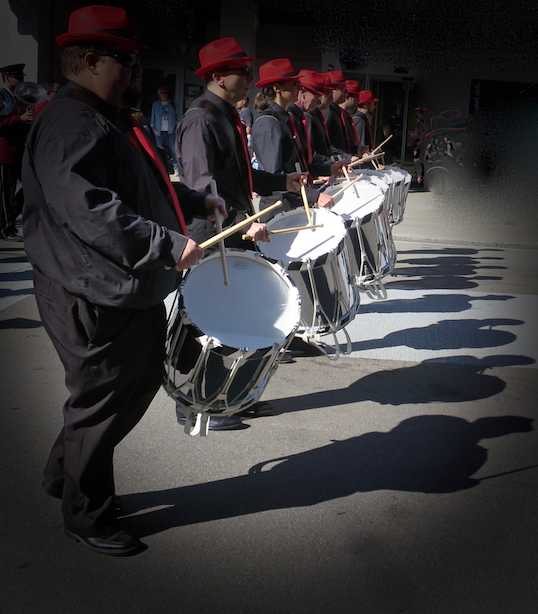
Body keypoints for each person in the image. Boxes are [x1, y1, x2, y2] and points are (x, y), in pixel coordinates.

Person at [22, 5, 227, 556]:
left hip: (121, 283)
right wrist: (165, 244)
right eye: (127, 61)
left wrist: (191, 199)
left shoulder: (107, 116)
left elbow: (140, 188)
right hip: (89, 288)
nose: (137, 72)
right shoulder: (71, 121)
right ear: (90, 61)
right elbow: (88, 208)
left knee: (129, 386)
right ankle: (87, 515)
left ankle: (63, 472)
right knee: (102, 398)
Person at [175, 38, 305, 429]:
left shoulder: (227, 114)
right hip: (210, 232)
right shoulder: (201, 119)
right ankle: (196, 404)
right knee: (204, 322)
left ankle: (226, 397)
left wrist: (284, 178)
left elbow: (239, 178)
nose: (251, 78)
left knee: (234, 315)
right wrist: (243, 220)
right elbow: (202, 186)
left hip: (230, 227)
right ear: (218, 77)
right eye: (243, 72)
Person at [251, 59, 335, 211]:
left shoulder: (284, 119)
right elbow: (274, 177)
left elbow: (297, 165)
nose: (298, 87)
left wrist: (329, 169)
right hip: (280, 208)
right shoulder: (268, 123)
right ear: (277, 88)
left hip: (294, 203)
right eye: (293, 83)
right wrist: (312, 195)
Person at [289, 69, 345, 182]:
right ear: (303, 92)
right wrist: (322, 169)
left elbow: (306, 157)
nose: (319, 102)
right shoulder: (292, 118)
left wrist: (326, 167)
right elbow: (290, 163)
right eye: (317, 97)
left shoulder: (301, 117)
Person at [0, 63, 34, 241]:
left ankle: (9, 219)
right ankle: (7, 229)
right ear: (7, 78)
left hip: (18, 150)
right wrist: (18, 119)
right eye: (18, 77)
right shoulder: (1, 96)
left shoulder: (18, 98)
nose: (21, 81)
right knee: (7, 192)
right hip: (5, 151)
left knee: (30, 185)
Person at [150, 86, 181, 175]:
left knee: (173, 150)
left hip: (171, 131)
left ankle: (176, 169)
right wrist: (152, 127)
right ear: (159, 94)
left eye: (166, 92)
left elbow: (178, 116)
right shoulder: (156, 104)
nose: (165, 95)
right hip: (159, 131)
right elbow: (153, 116)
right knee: (160, 150)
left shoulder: (173, 103)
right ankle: (162, 169)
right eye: (163, 93)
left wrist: (176, 127)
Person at [322, 70, 349, 153]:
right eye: (342, 88)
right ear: (333, 90)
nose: (346, 92)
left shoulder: (336, 112)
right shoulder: (328, 112)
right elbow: (325, 144)